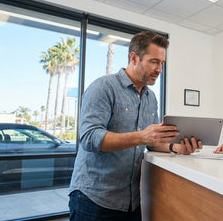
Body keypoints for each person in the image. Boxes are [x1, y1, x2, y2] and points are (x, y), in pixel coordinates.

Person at [69, 31, 202, 221]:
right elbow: (89, 138)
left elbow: (152, 142)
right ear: (134, 58)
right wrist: (141, 136)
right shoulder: (103, 87)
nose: (159, 70)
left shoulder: (150, 97)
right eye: (154, 62)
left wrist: (176, 147)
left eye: (162, 64)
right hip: (94, 199)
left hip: (131, 201)